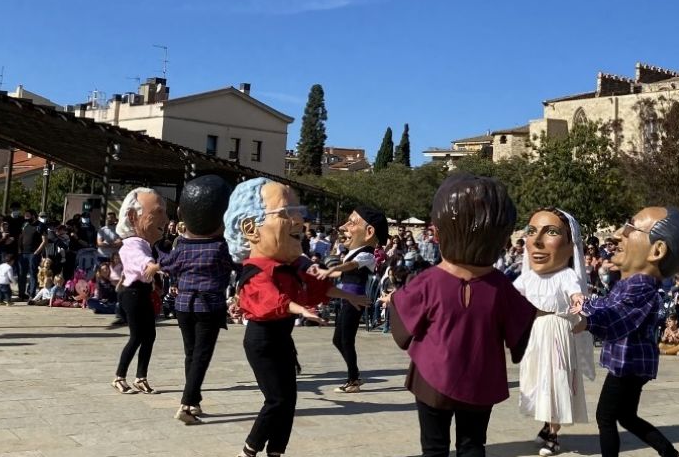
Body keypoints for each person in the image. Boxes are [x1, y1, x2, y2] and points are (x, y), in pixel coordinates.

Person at [388, 174, 537, 457]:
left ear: (440, 232)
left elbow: (403, 321)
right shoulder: (501, 286)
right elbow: (522, 323)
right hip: (482, 378)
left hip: (432, 376)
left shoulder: (428, 281)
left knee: (434, 447)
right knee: (472, 446)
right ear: (501, 238)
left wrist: (391, 299)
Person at [226, 178, 368, 457]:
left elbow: (317, 286)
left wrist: (348, 295)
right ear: (250, 228)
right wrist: (299, 309)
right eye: (285, 213)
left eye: (297, 212)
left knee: (289, 400)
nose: (297, 221)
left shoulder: (292, 266)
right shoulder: (254, 269)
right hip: (262, 340)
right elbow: (267, 298)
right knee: (276, 400)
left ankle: (276, 451)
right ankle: (249, 451)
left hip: (282, 340)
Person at [574, 206, 679, 457]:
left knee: (605, 416)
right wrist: (585, 303)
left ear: (657, 251)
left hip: (629, 364)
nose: (618, 235)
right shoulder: (631, 283)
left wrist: (587, 321)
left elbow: (617, 318)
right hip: (632, 363)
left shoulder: (640, 285)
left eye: (630, 228)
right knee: (627, 417)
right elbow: (609, 305)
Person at [513, 207, 596, 457]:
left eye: (550, 232)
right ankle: (547, 425)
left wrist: (581, 306)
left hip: (559, 328)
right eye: (533, 232)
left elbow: (577, 295)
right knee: (538, 379)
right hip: (538, 329)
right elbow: (509, 295)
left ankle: (553, 434)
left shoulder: (566, 275)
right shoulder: (530, 276)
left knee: (557, 379)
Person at [159, 175, 234, 425]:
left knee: (191, 353)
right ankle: (186, 403)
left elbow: (167, 265)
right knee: (202, 354)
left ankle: (195, 400)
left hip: (183, 305)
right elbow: (239, 266)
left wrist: (154, 248)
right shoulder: (222, 247)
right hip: (209, 305)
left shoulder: (182, 246)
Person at [312, 206, 388, 393]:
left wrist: (330, 270)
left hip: (356, 299)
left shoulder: (367, 254)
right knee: (339, 339)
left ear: (369, 232)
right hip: (348, 298)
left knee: (346, 340)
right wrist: (323, 272)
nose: (344, 227)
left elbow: (350, 265)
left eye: (351, 223)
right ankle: (354, 375)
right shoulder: (355, 251)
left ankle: (353, 379)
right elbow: (341, 270)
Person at [111, 187, 168, 396]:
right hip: (132, 293)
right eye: (158, 212)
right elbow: (142, 263)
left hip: (142, 292)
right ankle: (119, 376)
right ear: (133, 217)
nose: (165, 219)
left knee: (149, 335)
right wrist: (157, 266)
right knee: (136, 336)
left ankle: (141, 376)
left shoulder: (146, 243)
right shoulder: (132, 244)